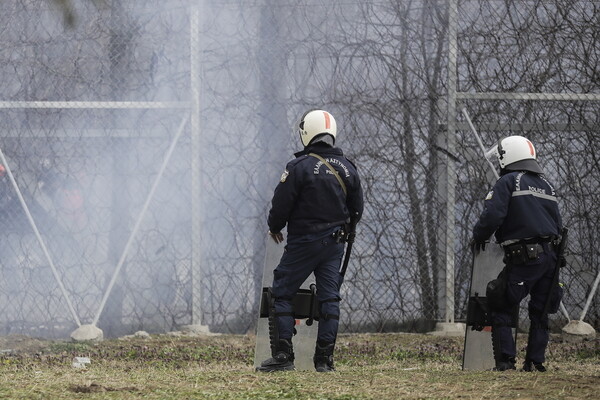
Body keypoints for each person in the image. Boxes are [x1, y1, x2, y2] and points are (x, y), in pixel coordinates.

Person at [256, 109, 364, 372]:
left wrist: (274, 227)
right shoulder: (349, 168)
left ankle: (283, 357)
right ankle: (324, 361)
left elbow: (281, 204)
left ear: (307, 132)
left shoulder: (299, 167)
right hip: (335, 243)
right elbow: (357, 209)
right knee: (329, 299)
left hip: (304, 243)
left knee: (281, 291)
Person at [472, 135, 563, 372]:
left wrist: (479, 236)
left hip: (525, 257)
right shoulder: (547, 186)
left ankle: (505, 362)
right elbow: (557, 224)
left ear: (507, 156)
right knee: (540, 311)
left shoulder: (509, 182)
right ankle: (535, 362)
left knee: (500, 301)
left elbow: (493, 216)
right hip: (551, 259)